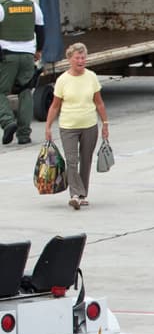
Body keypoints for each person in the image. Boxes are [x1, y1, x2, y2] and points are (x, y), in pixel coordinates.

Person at [44, 41, 108, 210]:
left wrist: (105, 123)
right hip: (68, 126)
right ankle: (74, 194)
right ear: (70, 59)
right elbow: (55, 105)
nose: (81, 61)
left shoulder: (92, 77)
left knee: (86, 160)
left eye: (83, 57)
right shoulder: (62, 80)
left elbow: (99, 103)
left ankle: (82, 194)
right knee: (72, 161)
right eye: (77, 58)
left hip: (89, 124)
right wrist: (48, 126)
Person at [0, 0, 44, 146]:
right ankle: (24, 135)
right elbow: (40, 29)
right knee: (25, 92)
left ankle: (7, 121)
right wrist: (39, 49)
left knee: (1, 92)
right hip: (27, 55)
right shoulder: (32, 6)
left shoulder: (3, 7)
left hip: (7, 56)